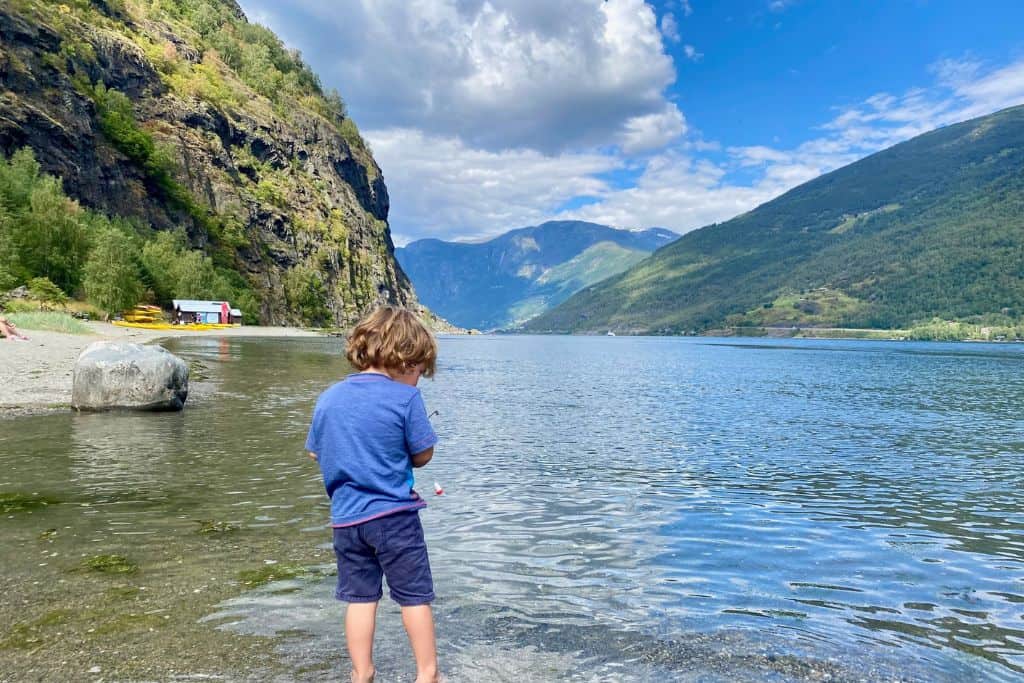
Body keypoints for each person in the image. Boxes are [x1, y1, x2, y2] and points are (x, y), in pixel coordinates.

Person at [306, 306, 440, 683]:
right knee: (415, 597)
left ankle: (361, 672)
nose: (417, 381)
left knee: (360, 598)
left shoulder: (328, 398)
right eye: (417, 371)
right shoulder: (405, 399)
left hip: (347, 520)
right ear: (404, 359)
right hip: (394, 518)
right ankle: (427, 674)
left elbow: (316, 451)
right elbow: (423, 454)